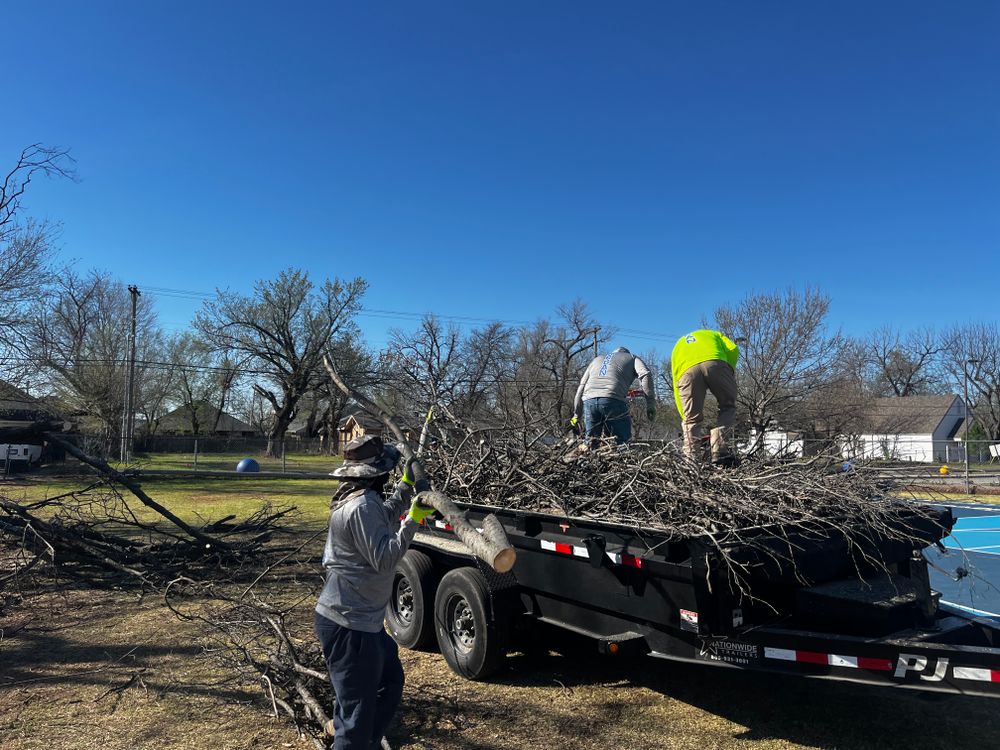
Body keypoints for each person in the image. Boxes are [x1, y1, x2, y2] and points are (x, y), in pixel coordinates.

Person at [315, 434, 433, 749]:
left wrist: (406, 489)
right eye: (388, 470)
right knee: (354, 719)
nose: (389, 473)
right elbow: (385, 558)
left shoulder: (362, 496)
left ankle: (364, 741)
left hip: (361, 620)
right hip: (349, 623)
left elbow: (383, 515)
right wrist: (413, 521)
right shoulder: (361, 504)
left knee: (389, 682)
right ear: (376, 472)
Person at [671, 329, 739, 466]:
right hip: (716, 362)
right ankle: (720, 451)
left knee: (691, 419)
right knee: (727, 405)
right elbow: (733, 349)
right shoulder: (713, 334)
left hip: (686, 370)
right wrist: (729, 370)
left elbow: (675, 379)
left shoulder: (678, 345)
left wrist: (684, 413)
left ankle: (691, 461)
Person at [572, 347, 656, 445]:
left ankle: (589, 459)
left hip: (589, 401)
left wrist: (576, 415)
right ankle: (624, 456)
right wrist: (650, 404)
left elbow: (581, 388)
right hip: (613, 399)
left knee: (591, 442)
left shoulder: (597, 359)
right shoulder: (632, 358)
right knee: (623, 441)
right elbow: (645, 374)